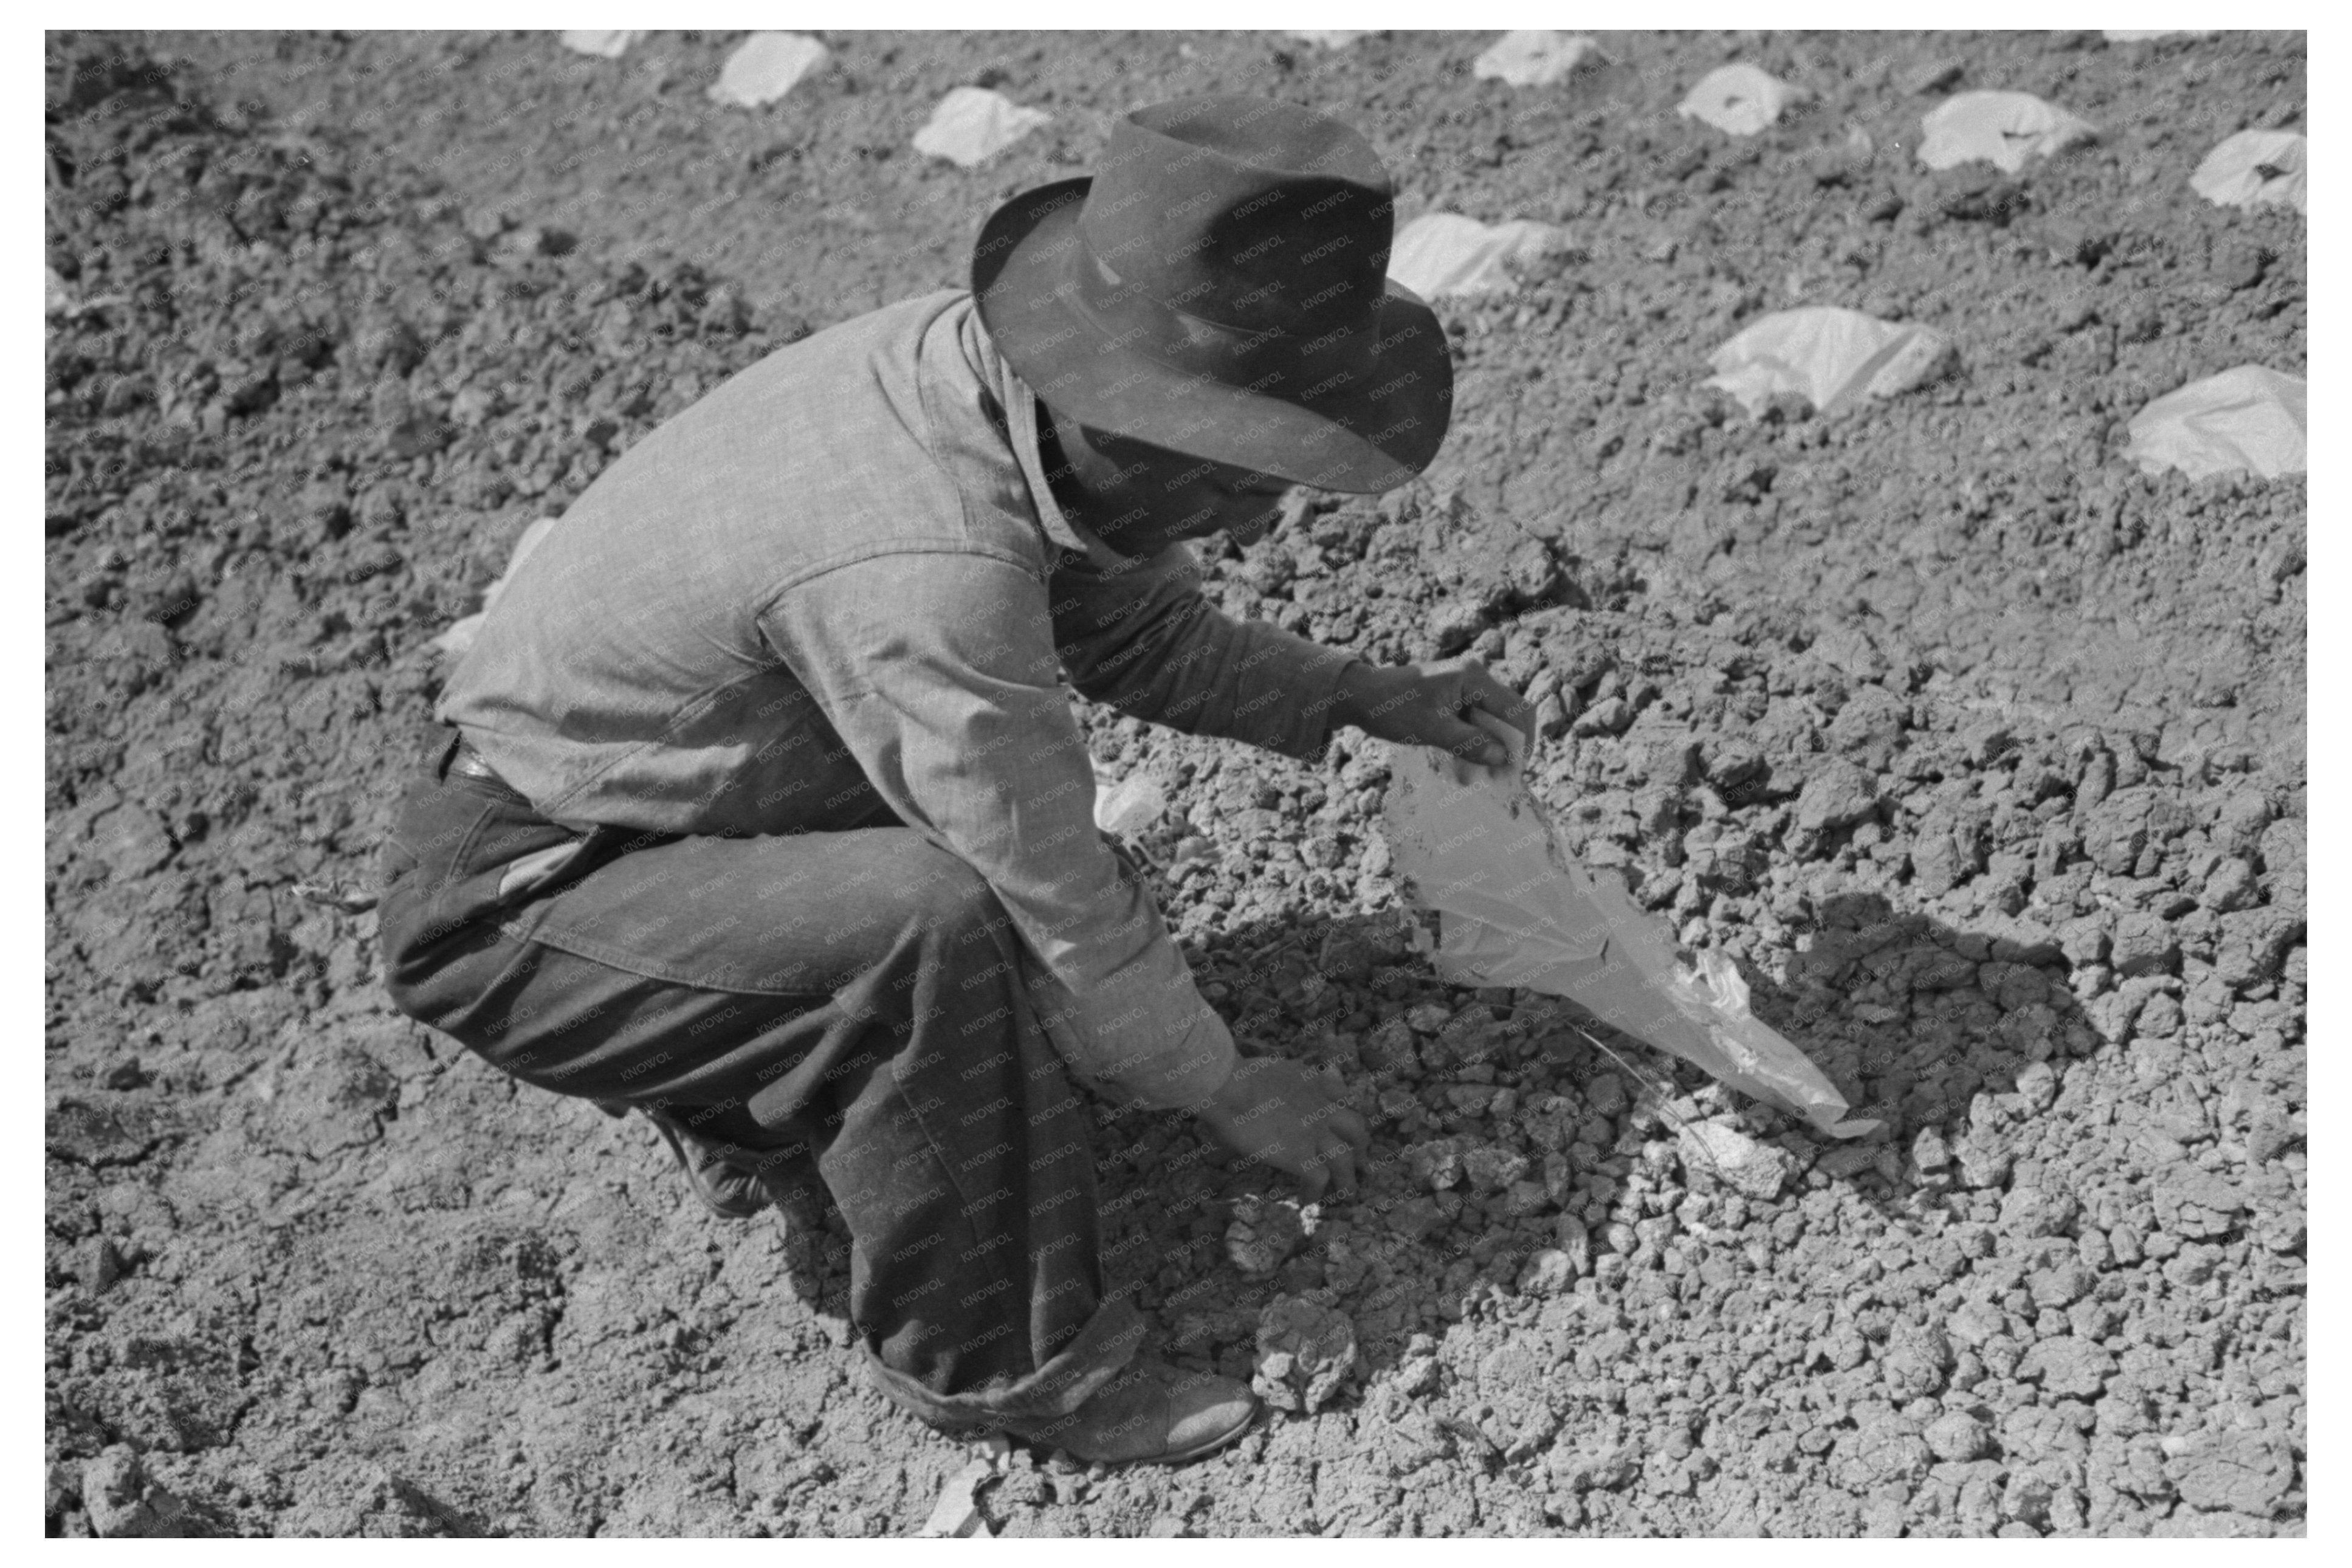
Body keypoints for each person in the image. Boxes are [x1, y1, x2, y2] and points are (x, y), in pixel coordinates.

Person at [378, 93, 1530, 1467]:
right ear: (1132, 411)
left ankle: (757, 1090)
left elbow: (1132, 626)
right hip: (522, 904)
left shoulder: (987, 392)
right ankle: (1009, 1363)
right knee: (932, 930)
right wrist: (1229, 1087)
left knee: (1022, 930)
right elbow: (1048, 890)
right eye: (1244, 471)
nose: (1259, 514)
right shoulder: (926, 567)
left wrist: (1358, 695)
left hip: (659, 811)